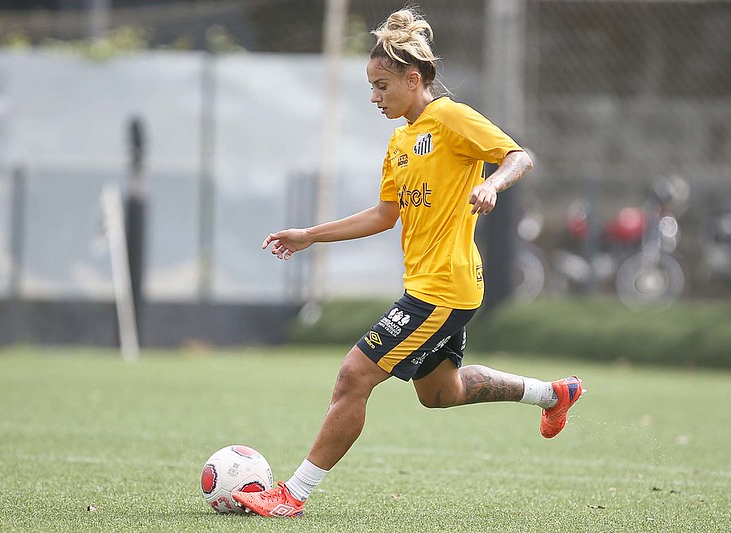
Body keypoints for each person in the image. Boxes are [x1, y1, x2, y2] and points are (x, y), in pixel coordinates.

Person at [232, 8, 583, 518]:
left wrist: (491, 183)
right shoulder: (399, 141)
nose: (374, 97)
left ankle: (293, 494)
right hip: (433, 287)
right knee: (441, 394)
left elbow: (519, 156)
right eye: (371, 87)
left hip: (443, 288)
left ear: (413, 79)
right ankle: (553, 394)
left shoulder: (451, 118)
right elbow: (383, 215)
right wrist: (310, 235)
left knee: (354, 376)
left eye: (381, 86)